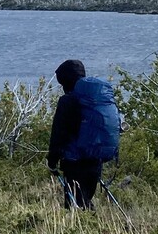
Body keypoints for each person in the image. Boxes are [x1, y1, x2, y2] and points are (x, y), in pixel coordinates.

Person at [47, 59, 120, 210]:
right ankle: (93, 225)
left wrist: (52, 160)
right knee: (85, 197)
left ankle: (85, 228)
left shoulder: (68, 101)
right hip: (96, 159)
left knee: (75, 204)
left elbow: (59, 133)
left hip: (74, 161)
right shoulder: (95, 99)